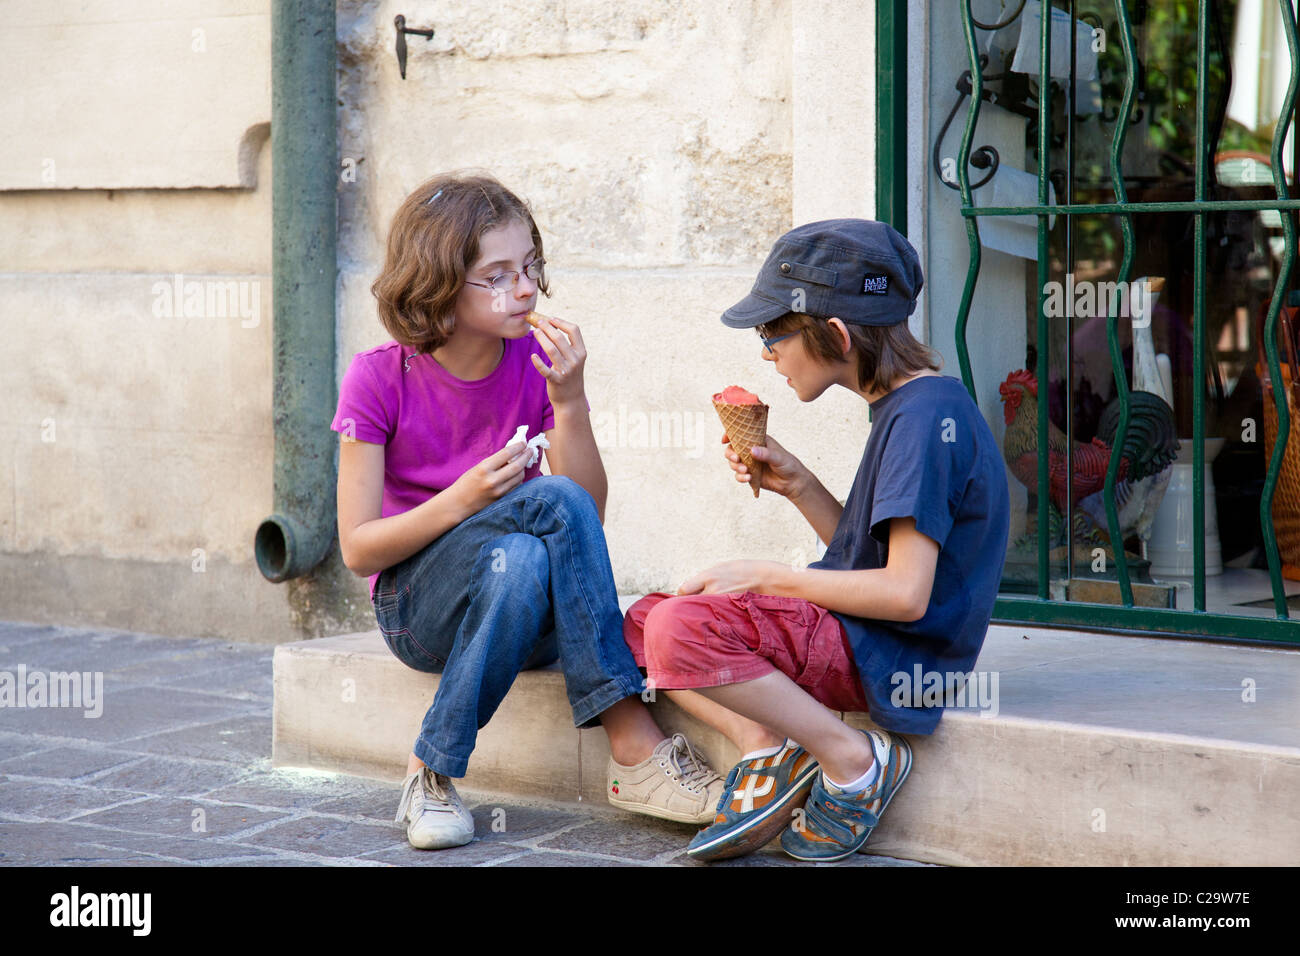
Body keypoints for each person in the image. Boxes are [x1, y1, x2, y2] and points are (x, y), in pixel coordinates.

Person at [331, 172, 727, 850]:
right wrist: (464, 499)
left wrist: (569, 400)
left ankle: (430, 769)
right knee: (531, 523)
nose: (524, 289)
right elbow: (359, 549)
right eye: (498, 274)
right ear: (439, 285)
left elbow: (585, 512)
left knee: (520, 555)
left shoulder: (534, 366)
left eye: (531, 267)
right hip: (418, 611)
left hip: (528, 608)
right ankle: (631, 740)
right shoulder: (377, 378)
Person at [622, 219, 1011, 862]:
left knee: (677, 630)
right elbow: (876, 561)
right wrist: (800, 486)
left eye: (772, 335)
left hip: (893, 655)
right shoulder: (907, 407)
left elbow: (907, 595)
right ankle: (768, 744)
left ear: (834, 333)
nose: (767, 355)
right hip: (867, 638)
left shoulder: (922, 420)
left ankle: (853, 761)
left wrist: (765, 576)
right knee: (641, 621)